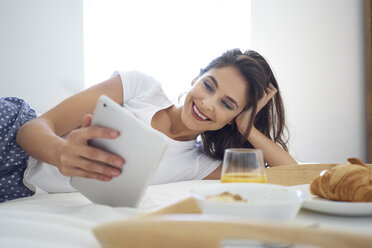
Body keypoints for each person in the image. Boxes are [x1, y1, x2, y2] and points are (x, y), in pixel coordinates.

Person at [0, 49, 297, 203]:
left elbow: (293, 178)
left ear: (234, 118)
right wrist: (62, 154)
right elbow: (32, 128)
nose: (208, 103)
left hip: (16, 189)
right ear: (195, 78)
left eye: (227, 104)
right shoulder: (141, 88)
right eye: (209, 85)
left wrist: (249, 127)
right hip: (9, 134)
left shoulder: (201, 166)